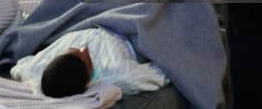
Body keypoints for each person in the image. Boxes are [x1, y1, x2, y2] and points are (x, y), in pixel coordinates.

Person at [11, 27, 167, 98]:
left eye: (74, 50)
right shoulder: (116, 72)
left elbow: (19, 68)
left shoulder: (40, 67)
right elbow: (161, 73)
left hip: (89, 18)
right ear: (87, 83)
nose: (83, 49)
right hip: (125, 26)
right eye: (85, 56)